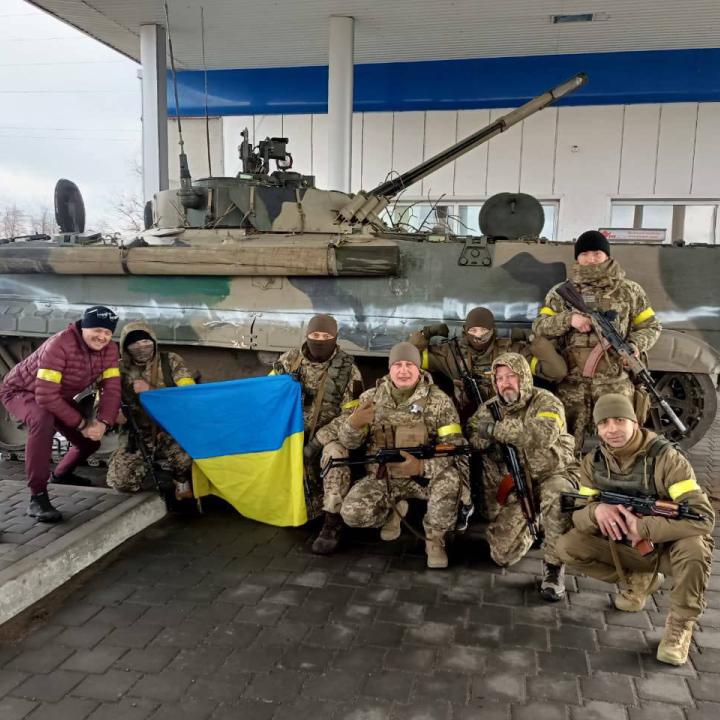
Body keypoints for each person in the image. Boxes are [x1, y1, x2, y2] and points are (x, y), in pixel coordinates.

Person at [557, 394, 714, 666]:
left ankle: (680, 625)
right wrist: (596, 511)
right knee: (567, 547)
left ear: (635, 421)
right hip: (629, 547)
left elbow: (702, 518)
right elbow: (579, 515)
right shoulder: (593, 462)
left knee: (695, 548)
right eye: (604, 423)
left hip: (668, 549)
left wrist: (642, 527)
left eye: (620, 420)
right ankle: (639, 580)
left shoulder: (667, 459)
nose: (612, 429)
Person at [339, 342, 465, 569]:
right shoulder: (370, 398)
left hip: (424, 480)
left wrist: (422, 468)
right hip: (384, 478)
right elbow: (349, 442)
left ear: (419, 369)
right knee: (352, 514)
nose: (403, 370)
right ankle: (393, 511)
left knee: (451, 481)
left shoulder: (439, 401)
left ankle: (435, 540)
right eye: (398, 365)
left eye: (409, 365)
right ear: (390, 368)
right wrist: (353, 425)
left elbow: (454, 448)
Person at [531, 230, 661, 450]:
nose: (591, 259)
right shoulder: (561, 293)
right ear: (577, 258)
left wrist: (635, 345)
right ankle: (571, 480)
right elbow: (540, 326)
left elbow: (651, 326)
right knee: (565, 443)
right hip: (572, 384)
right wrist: (569, 319)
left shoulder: (629, 291)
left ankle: (617, 479)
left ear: (607, 256)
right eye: (585, 254)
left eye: (597, 253)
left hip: (614, 383)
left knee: (620, 443)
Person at [468, 352, 579, 601]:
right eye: (499, 379)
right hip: (521, 481)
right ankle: (534, 523)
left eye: (511, 376)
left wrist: (494, 430)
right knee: (501, 555)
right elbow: (473, 432)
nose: (505, 383)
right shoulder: (490, 408)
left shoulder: (547, 402)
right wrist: (486, 439)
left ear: (524, 378)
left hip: (555, 472)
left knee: (557, 496)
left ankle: (554, 568)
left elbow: (541, 435)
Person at [0, 305, 121, 522]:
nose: (102, 337)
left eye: (108, 332)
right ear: (84, 326)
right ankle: (37, 497)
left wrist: (103, 422)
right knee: (42, 419)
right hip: (21, 391)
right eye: (97, 330)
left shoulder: (110, 350)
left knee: (90, 443)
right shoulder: (60, 344)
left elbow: (111, 388)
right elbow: (45, 397)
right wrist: (83, 424)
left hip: (56, 395)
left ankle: (62, 474)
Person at [270, 314, 363, 552]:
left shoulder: (348, 371)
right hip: (292, 435)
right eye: (315, 335)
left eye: (326, 336)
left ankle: (332, 522)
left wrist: (319, 440)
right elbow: (267, 393)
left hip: (329, 437)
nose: (319, 340)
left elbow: (350, 417)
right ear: (307, 335)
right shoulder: (289, 360)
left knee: (337, 456)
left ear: (335, 337)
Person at [409, 306, 567, 423]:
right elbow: (409, 361)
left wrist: (534, 340)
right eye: (473, 330)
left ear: (493, 330)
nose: (478, 336)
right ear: (465, 330)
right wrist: (425, 334)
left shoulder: (512, 351)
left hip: (507, 422)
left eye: (484, 330)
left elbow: (557, 371)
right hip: (467, 420)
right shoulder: (451, 352)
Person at [106, 321, 195, 499]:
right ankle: (139, 467)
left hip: (170, 427)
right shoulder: (117, 369)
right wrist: (112, 414)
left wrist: (151, 390)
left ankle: (180, 479)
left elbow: (188, 394)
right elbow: (103, 397)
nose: (141, 347)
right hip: (137, 432)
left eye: (146, 341)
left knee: (187, 457)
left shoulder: (170, 360)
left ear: (154, 341)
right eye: (135, 343)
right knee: (122, 482)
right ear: (125, 346)